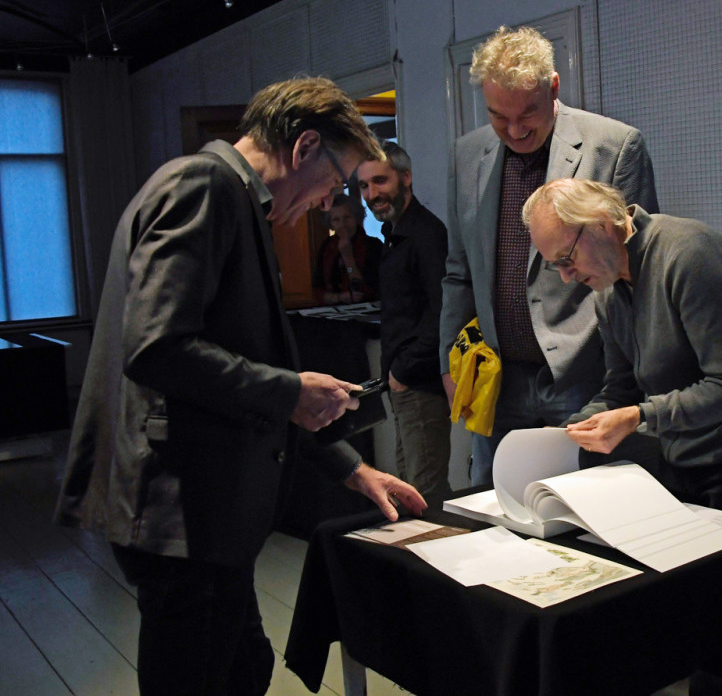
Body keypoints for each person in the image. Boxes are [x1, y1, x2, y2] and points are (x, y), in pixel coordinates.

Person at [53, 77, 426, 696]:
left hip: (201, 514)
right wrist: (289, 390)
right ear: (305, 147)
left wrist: (349, 469)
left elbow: (233, 367)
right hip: (184, 509)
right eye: (336, 184)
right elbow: (158, 346)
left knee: (244, 670)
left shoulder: (226, 197)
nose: (330, 200)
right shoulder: (203, 186)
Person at [523, 178, 722, 551]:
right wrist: (568, 432)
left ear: (602, 222)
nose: (565, 276)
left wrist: (638, 417)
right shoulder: (607, 293)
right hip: (680, 458)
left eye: (566, 259)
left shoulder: (689, 256)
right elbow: (622, 388)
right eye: (554, 266)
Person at [439, 25, 659, 486]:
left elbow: (636, 271)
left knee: (581, 510)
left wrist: (633, 383)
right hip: (495, 377)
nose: (515, 130)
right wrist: (448, 361)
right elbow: (459, 274)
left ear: (554, 87)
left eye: (529, 114)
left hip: (586, 377)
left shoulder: (614, 146)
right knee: (494, 508)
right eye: (500, 117)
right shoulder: (466, 155)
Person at [358, 141, 452, 503]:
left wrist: (404, 371)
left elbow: (443, 312)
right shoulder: (394, 235)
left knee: (424, 494)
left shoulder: (426, 234)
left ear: (406, 177)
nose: (371, 194)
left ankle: (437, 560)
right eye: (364, 186)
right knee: (410, 488)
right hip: (404, 385)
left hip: (420, 385)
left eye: (380, 181)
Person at [313, 193, 383, 304]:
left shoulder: (373, 245)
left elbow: (367, 291)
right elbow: (317, 289)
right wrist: (339, 297)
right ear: (330, 223)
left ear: (356, 217)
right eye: (336, 220)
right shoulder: (327, 246)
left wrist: (348, 257)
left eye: (347, 217)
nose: (343, 224)